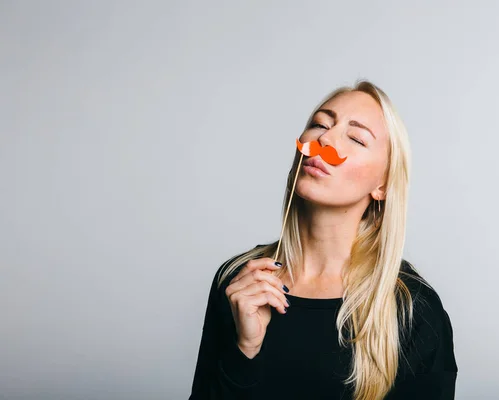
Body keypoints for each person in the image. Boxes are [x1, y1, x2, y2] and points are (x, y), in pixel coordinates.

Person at [188, 80, 458, 399]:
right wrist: (245, 350)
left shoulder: (414, 308)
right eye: (319, 124)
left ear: (382, 186)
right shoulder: (240, 281)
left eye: (356, 138)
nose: (325, 138)